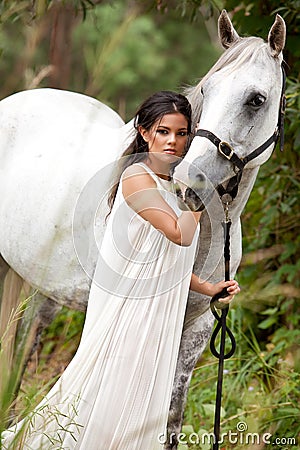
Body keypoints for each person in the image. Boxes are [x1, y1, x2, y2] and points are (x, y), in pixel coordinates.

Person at [1, 91, 240, 449]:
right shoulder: (135, 178)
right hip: (132, 312)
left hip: (157, 308)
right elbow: (178, 235)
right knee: (115, 395)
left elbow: (163, 261)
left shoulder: (172, 186)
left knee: (143, 403)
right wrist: (203, 193)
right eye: (163, 132)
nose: (173, 142)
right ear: (144, 133)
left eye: (181, 133)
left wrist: (209, 289)